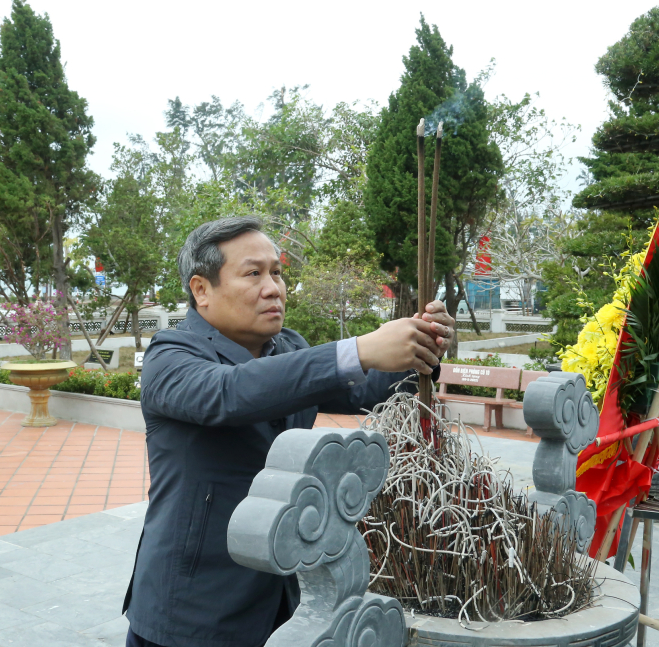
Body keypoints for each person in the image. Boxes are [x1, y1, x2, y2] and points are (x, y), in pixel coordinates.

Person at [122, 217, 455, 647]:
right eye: (253, 273)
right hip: (194, 604)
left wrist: (420, 351)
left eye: (277, 272)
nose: (273, 287)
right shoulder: (171, 354)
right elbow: (232, 393)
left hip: (284, 595)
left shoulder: (289, 347)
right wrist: (358, 348)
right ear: (201, 290)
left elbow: (365, 391)